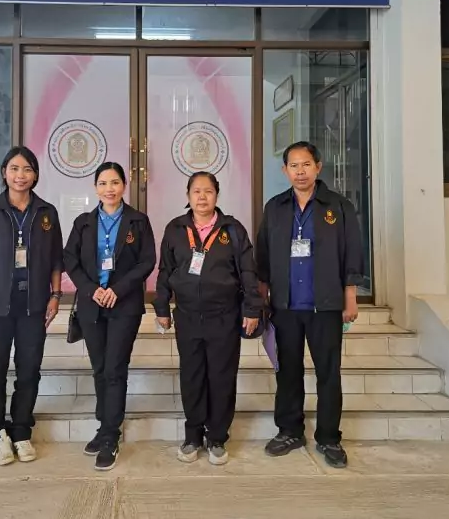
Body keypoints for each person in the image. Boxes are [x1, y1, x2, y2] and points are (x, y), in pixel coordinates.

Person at [256, 141, 364, 469]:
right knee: (288, 371)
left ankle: (329, 437)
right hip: (285, 305)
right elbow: (263, 254)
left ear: (318, 167)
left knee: (328, 373)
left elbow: (352, 251)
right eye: (294, 166)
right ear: (285, 170)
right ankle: (290, 431)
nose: (300, 172)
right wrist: (262, 297)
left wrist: (349, 295)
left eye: (306, 165)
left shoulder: (339, 206)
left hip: (325, 305)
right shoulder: (275, 207)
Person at [153, 171, 262, 466]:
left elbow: (248, 272)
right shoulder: (176, 229)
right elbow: (165, 271)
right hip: (187, 316)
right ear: (188, 195)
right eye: (196, 191)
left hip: (224, 317)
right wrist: (161, 307)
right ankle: (192, 436)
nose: (202, 197)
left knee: (221, 377)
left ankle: (217, 437)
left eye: (208, 191)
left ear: (217, 195)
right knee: (192, 376)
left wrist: (252, 309)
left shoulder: (233, 230)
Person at [0, 146, 64, 467]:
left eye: (27, 169)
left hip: (33, 307)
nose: (20, 176)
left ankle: (21, 431)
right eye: (14, 169)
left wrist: (55, 295)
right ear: (4, 173)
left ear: (35, 175)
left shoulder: (47, 213)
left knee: (29, 371)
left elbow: (56, 259)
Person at [63, 162, 156, 471]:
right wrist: (92, 290)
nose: (109, 189)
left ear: (124, 185)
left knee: (115, 368)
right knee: (100, 368)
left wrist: (118, 289)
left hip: (124, 306)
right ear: (95, 188)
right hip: (92, 305)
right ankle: (105, 425)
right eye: (103, 183)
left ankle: (110, 436)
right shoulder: (84, 223)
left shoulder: (138, 221)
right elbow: (70, 260)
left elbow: (147, 261)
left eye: (115, 182)